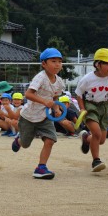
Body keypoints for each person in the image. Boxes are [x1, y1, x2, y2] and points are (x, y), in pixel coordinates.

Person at [11, 48, 65, 180]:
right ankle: (19, 139)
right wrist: (44, 101)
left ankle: (41, 167)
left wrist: (57, 109)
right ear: (44, 64)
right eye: (53, 61)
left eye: (59, 61)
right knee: (25, 144)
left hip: (45, 117)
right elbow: (28, 94)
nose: (57, 64)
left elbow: (55, 98)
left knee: (50, 139)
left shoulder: (59, 82)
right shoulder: (40, 78)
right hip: (28, 116)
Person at [75, 48, 108, 172]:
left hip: (104, 107)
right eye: (107, 64)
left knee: (101, 140)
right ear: (98, 64)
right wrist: (82, 108)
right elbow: (78, 94)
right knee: (97, 134)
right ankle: (96, 161)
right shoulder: (87, 79)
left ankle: (86, 138)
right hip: (89, 106)